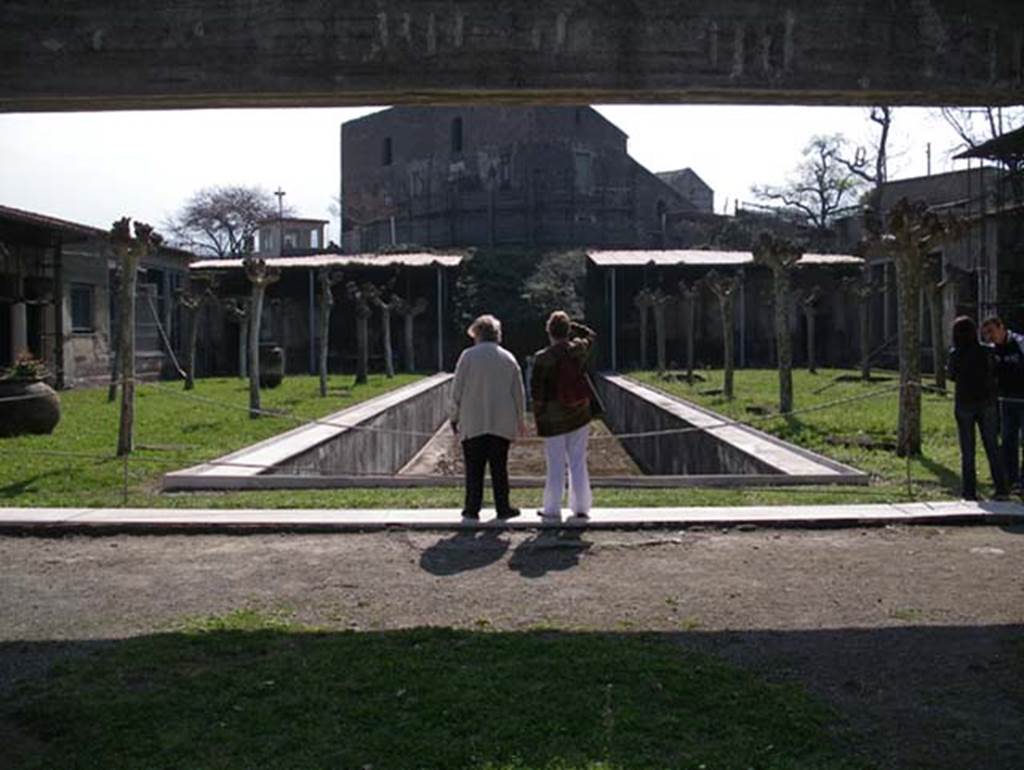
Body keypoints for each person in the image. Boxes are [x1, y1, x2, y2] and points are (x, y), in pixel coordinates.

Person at [449, 314, 526, 521]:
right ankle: (503, 507)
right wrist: (520, 420)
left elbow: (457, 390)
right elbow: (518, 393)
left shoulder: (467, 356)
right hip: (501, 423)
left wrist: (453, 416)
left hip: (473, 422)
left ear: (477, 334)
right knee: (499, 468)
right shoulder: (509, 358)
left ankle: (472, 508)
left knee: (474, 469)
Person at [531, 311, 597, 520]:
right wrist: (573, 327)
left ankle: (551, 508)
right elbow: (590, 334)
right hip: (580, 412)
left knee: (555, 463)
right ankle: (581, 507)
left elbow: (537, 392)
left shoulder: (543, 358)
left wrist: (538, 414)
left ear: (548, 331)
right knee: (578, 461)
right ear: (567, 331)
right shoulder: (578, 349)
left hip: (553, 417)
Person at [948, 316, 1009, 501]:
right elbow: (996, 371)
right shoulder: (986, 351)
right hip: (987, 403)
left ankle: (969, 491)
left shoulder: (955, 353)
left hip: (964, 403)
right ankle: (1001, 488)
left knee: (968, 450)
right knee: (992, 446)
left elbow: (951, 375)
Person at [980, 316, 1024, 489]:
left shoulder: (1019, 343)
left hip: (1022, 398)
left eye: (991, 331)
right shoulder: (991, 350)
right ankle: (1011, 478)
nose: (990, 337)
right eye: (986, 334)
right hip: (1005, 400)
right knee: (1008, 439)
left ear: (1001, 327)